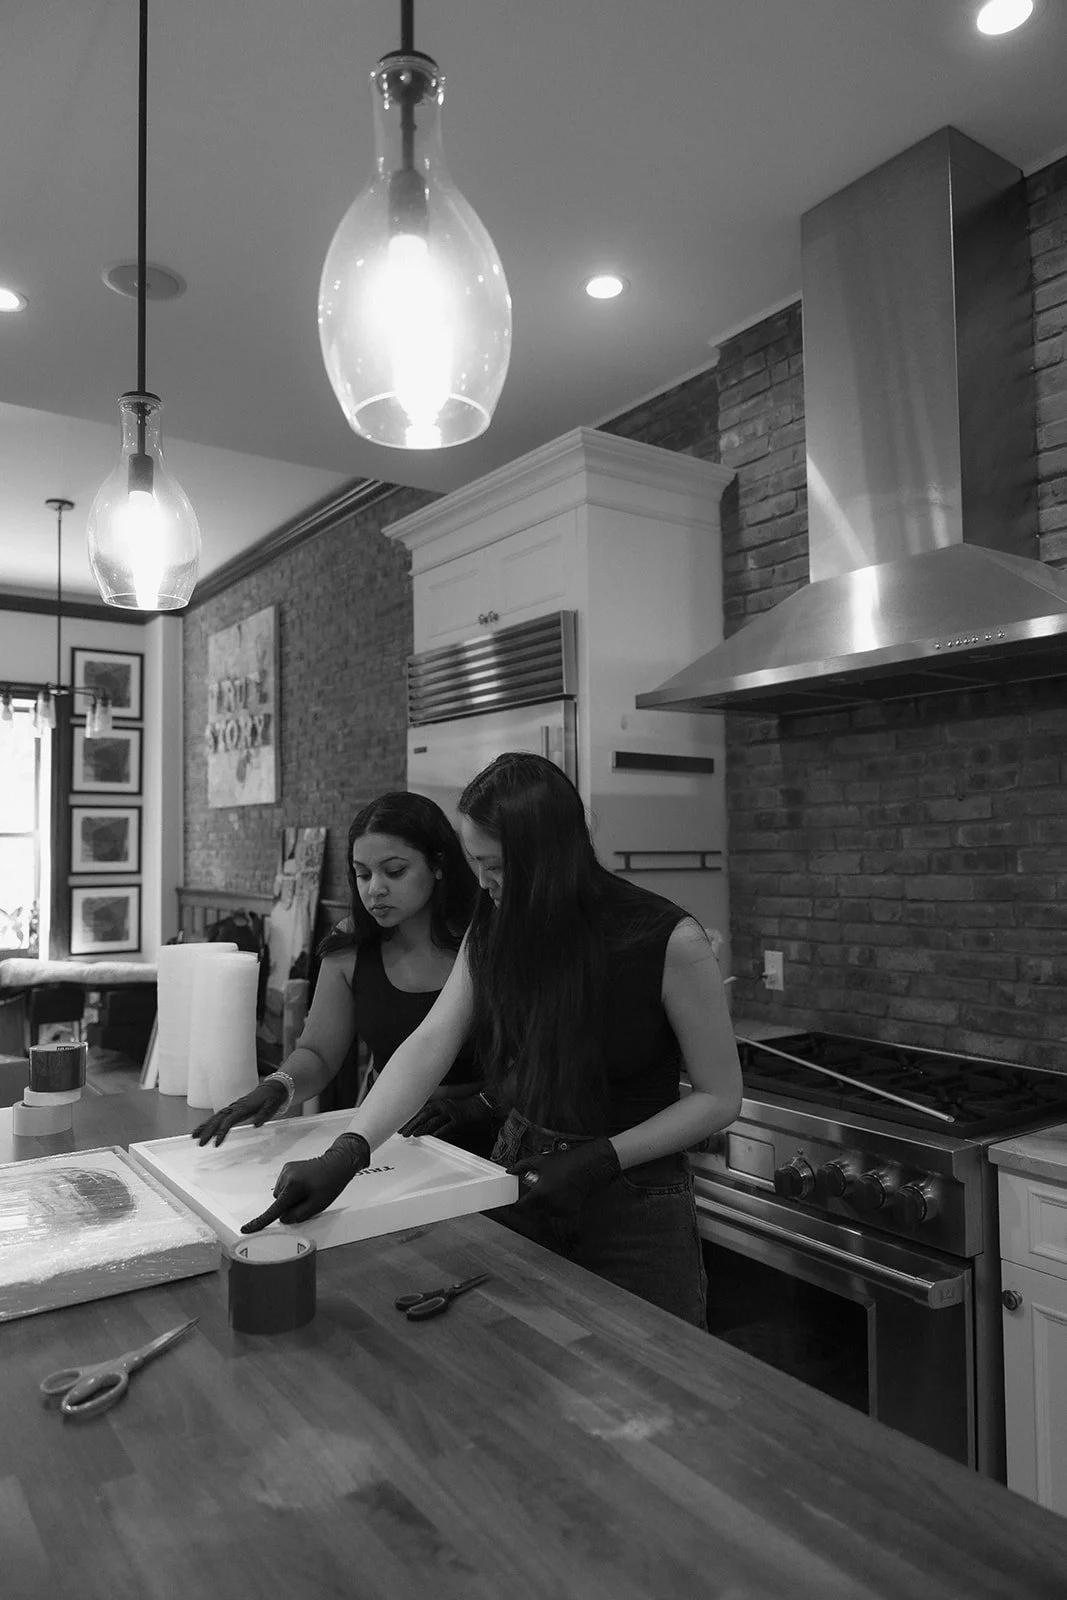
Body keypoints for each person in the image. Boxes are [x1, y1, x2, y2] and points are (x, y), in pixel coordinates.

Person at [241, 753, 743, 1328]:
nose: (483, 882)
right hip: (520, 1174)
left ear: (551, 854)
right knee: (517, 1362)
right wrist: (349, 1151)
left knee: (660, 1374)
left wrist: (601, 1158)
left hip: (635, 1199)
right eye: (475, 862)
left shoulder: (667, 940)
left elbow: (718, 1097)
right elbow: (432, 1040)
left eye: (497, 865)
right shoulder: (494, 922)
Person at [191, 791, 485, 1151]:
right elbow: (318, 1053)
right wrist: (278, 1085)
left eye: (395, 872)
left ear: (438, 864)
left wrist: (479, 1108)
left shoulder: (482, 936)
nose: (375, 889)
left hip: (485, 1130)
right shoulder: (351, 943)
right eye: (362, 874)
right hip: (388, 1130)